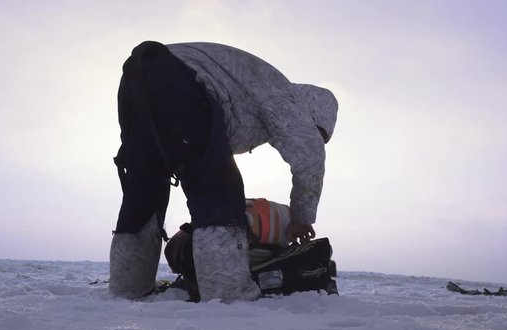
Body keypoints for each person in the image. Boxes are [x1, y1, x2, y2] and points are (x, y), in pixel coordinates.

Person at [109, 41, 338, 303]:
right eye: (318, 135)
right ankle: (227, 296)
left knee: (144, 194)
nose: (315, 139)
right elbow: (309, 160)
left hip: (136, 81)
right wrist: (301, 218)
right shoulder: (288, 101)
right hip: (182, 83)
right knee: (218, 195)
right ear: (314, 116)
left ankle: (126, 290)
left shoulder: (261, 88)